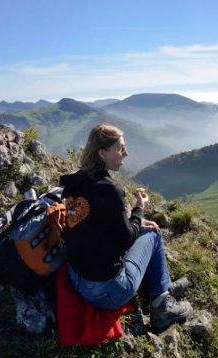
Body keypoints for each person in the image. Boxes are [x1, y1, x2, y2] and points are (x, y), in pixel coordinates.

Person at [58, 124, 192, 331]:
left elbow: (97, 223)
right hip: (109, 292)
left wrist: (135, 220)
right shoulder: (110, 190)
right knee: (152, 234)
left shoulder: (74, 183)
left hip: (78, 280)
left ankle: (162, 288)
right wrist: (139, 208)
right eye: (120, 148)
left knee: (143, 229)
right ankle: (161, 306)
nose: (126, 153)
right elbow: (127, 239)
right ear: (102, 153)